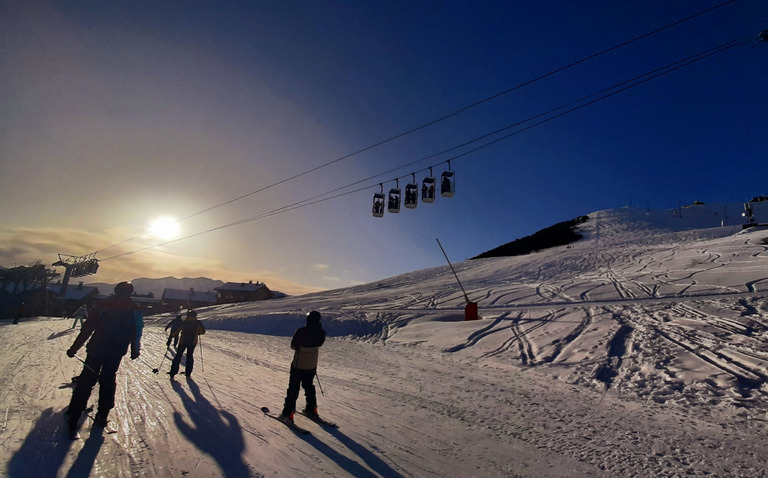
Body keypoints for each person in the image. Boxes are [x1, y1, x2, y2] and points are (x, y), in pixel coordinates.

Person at [65, 281, 143, 438]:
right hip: (116, 352)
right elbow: (137, 331)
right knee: (108, 379)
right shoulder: (134, 310)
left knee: (87, 379)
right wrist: (135, 350)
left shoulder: (103, 306)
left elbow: (88, 328)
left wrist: (75, 348)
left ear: (115, 291)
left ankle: (74, 415)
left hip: (97, 349)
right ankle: (102, 415)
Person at [279, 310, 326, 424]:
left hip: (299, 365)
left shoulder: (301, 331)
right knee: (308, 386)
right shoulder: (322, 332)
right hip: (311, 365)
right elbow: (319, 344)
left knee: (293, 389)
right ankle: (311, 409)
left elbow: (293, 345)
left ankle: (287, 414)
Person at [168, 309, 205, 381]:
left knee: (178, 356)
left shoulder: (185, 322)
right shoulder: (198, 323)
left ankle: (173, 373)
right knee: (189, 356)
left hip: (183, 342)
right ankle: (188, 374)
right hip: (192, 342)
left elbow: (177, 330)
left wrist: (171, 335)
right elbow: (202, 332)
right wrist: (198, 333)